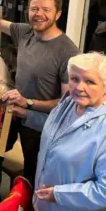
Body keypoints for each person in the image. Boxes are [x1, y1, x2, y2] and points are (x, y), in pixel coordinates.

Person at [0, 0, 79, 188]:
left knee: (32, 172)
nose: (39, 14)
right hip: (12, 111)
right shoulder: (25, 32)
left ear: (58, 14)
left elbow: (65, 104)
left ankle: (22, 202)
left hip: (39, 122)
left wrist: (27, 103)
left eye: (46, 9)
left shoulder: (68, 51)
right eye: (34, 8)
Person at [34, 52, 106, 211]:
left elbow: (104, 191)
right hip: (42, 203)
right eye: (74, 79)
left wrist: (59, 195)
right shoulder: (66, 104)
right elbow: (53, 140)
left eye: (90, 81)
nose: (80, 87)